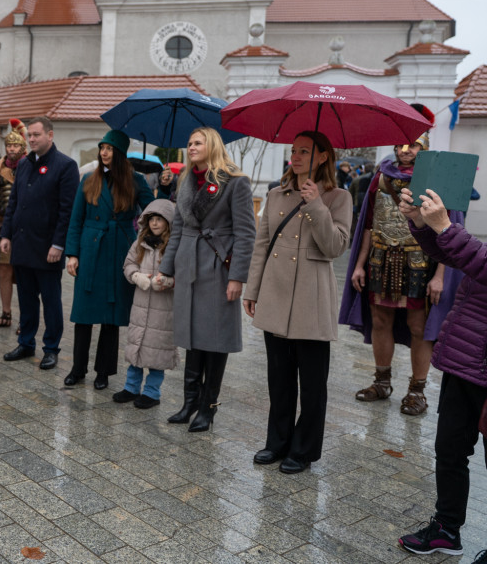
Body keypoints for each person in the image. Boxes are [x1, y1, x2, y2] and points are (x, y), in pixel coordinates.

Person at [243, 132, 351, 474]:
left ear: (323, 156)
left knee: (313, 384)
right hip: (275, 293)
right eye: (294, 150)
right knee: (279, 378)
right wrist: (252, 290)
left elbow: (335, 247)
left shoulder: (338, 197)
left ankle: (303, 450)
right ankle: (277, 442)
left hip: (311, 299)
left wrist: (316, 204)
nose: (296, 156)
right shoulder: (276, 194)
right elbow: (262, 244)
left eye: (305, 151)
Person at [395, 187, 487, 558]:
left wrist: (447, 227)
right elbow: (458, 256)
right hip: (467, 356)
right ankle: (447, 530)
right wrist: (422, 224)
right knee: (449, 449)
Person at [339, 133, 456, 416]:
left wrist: (440, 275)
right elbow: (368, 225)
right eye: (402, 144)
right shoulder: (380, 178)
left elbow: (448, 229)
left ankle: (416, 391)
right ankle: (382, 382)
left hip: (419, 263)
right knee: (380, 321)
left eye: (413, 145)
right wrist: (359, 264)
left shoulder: (435, 178)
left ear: (423, 148)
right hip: (380, 258)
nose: (406, 150)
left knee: (419, 326)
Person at [156, 126, 256, 432]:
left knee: (215, 337)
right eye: (189, 142)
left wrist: (237, 277)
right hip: (188, 264)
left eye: (197, 142)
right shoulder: (185, 180)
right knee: (192, 335)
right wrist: (166, 268)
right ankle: (190, 402)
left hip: (217, 266)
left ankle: (208, 406)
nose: (191, 147)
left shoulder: (235, 182)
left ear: (212, 145)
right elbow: (178, 229)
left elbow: (246, 234)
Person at [63, 130, 160, 389]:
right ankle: (77, 369)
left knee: (110, 316)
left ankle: (103, 372)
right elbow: (76, 220)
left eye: (109, 149)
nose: (104, 153)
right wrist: (72, 254)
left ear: (119, 153)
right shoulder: (88, 179)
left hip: (118, 250)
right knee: (83, 315)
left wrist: (163, 189)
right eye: (102, 148)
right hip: (90, 250)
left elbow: (154, 212)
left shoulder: (135, 180)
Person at [0, 116, 79, 370]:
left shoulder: (65, 166)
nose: (31, 139)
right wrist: (6, 234)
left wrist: (59, 245)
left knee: (51, 301)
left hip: (48, 249)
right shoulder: (24, 164)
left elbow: (67, 211)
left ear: (50, 135)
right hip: (22, 244)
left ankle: (51, 348)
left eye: (36, 135)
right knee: (26, 299)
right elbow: (14, 203)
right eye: (29, 135)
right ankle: (26, 342)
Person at [115, 199, 177, 408]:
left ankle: (152, 392)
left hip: (163, 310)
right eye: (151, 219)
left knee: (157, 351)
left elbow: (184, 272)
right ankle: (131, 387)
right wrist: (136, 276)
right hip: (141, 307)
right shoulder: (140, 243)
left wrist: (169, 281)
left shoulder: (174, 246)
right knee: (137, 347)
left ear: (169, 221)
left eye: (160, 219)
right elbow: (129, 263)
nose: (155, 223)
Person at [0, 119, 26, 330]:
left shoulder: (29, 168)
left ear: (23, 147)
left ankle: (26, 319)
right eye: (9, 145)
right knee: (4, 271)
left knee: (26, 274)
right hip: (3, 228)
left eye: (16, 145)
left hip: (26, 230)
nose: (11, 149)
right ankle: (6, 314)